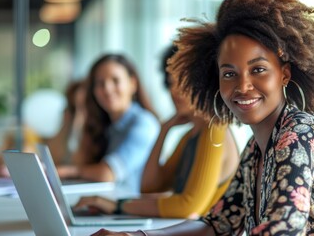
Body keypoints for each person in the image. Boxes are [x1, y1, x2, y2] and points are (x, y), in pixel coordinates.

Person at [90, 0, 314, 235]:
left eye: (258, 69)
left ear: (284, 73)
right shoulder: (257, 148)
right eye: (229, 73)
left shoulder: (298, 136)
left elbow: (281, 230)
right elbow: (219, 223)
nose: (242, 86)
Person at [73, 45, 240, 219]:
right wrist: (163, 130)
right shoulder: (189, 136)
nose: (173, 91)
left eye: (181, 81)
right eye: (170, 83)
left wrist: (117, 206)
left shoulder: (215, 129)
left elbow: (188, 206)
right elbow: (149, 186)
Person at [57, 54, 160, 194]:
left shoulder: (144, 124)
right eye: (100, 83)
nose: (107, 89)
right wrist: (80, 113)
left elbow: (107, 174)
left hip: (132, 209)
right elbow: (76, 159)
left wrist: (70, 172)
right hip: (106, 205)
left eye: (115, 80)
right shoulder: (107, 126)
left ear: (133, 83)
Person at [46, 79, 87, 165]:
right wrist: (65, 125)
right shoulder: (69, 119)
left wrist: (79, 119)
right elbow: (52, 157)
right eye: (74, 106)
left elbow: (79, 161)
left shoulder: (96, 127)